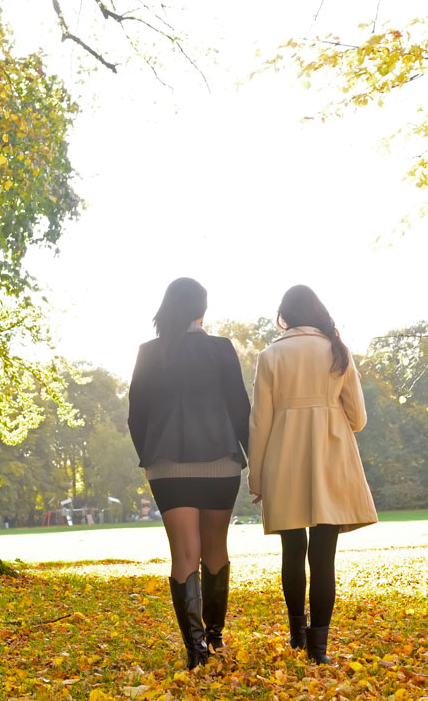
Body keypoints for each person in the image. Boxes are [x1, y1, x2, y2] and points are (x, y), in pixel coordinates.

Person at [248, 285, 377, 664]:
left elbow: (259, 424)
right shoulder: (337, 350)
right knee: (324, 558)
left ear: (284, 316)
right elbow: (359, 419)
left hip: (284, 460)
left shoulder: (270, 355)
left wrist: (257, 477)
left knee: (292, 552)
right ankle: (319, 649)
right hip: (331, 458)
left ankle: (296, 636)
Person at [128, 277, 251, 669]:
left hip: (168, 466)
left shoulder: (149, 352)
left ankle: (195, 652)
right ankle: (215, 637)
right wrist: (253, 458)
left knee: (183, 555)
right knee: (216, 549)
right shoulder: (221, 349)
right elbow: (239, 409)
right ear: (202, 310)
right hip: (221, 463)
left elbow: (136, 416)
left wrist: (148, 459)